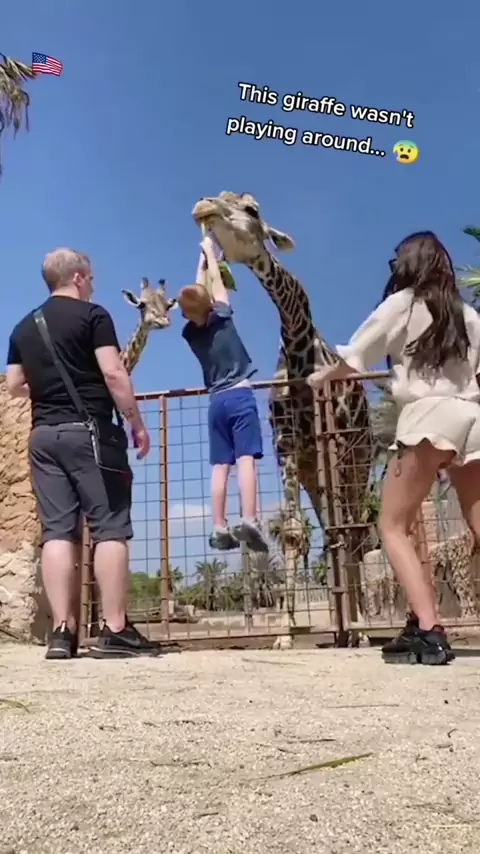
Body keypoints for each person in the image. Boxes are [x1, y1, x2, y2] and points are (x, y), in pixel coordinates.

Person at [307, 230, 480, 666]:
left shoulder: (404, 303)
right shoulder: (468, 314)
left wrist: (321, 378)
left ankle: (428, 630)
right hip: (472, 417)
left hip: (427, 418)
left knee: (392, 525)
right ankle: (421, 623)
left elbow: (356, 354)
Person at [6, 247, 158, 660]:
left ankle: (61, 633)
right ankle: (115, 629)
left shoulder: (23, 327)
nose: (92, 284)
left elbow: (15, 384)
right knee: (109, 527)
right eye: (90, 277)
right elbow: (113, 372)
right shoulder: (94, 316)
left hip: (43, 436)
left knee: (58, 531)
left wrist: (49, 388)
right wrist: (137, 423)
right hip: (89, 433)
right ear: (77, 277)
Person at [178, 235, 268, 553]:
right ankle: (250, 519)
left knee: (220, 466)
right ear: (210, 304)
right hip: (240, 396)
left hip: (215, 402)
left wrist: (201, 261)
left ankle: (218, 525)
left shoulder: (190, 334)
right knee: (246, 460)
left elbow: (199, 293)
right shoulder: (223, 319)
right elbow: (214, 287)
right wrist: (211, 256)